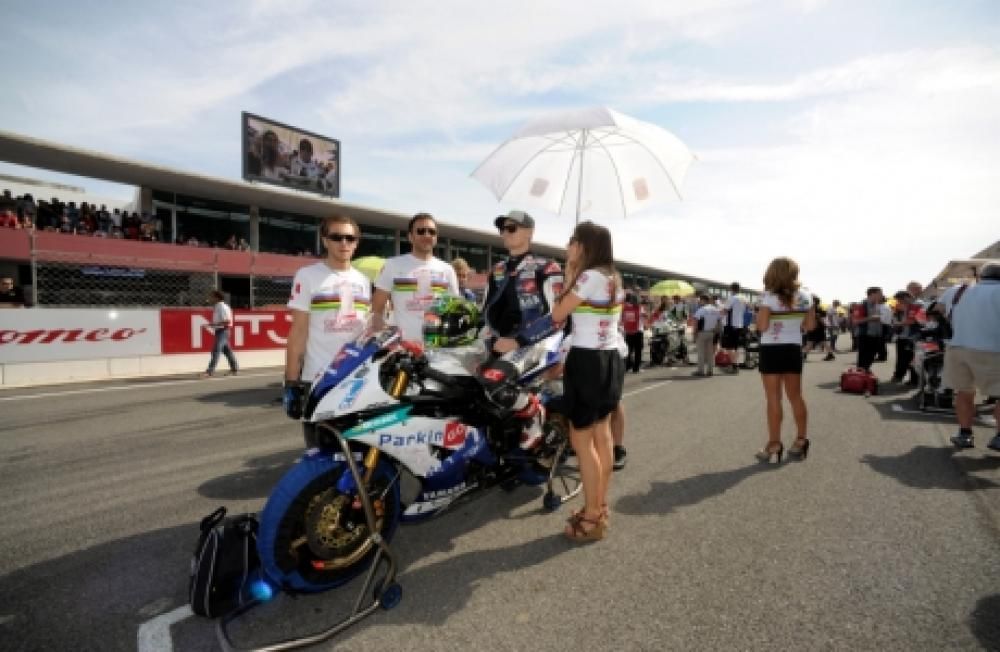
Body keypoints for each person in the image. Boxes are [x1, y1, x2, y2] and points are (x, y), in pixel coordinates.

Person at [550, 221, 624, 541]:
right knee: (602, 436)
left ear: (583, 246)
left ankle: (592, 516)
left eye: (572, 241)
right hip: (610, 359)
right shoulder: (613, 277)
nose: (568, 245)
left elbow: (557, 314)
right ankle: (599, 505)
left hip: (587, 361)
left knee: (582, 441)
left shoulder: (588, 276)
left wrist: (570, 272)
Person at [478, 209, 564, 450]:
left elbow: (558, 317)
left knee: (493, 383)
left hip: (534, 342)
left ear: (529, 232)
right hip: (498, 342)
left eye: (511, 228)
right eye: (502, 229)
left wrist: (519, 341)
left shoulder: (547, 267)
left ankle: (534, 414)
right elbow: (484, 312)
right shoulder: (497, 269)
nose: (505, 233)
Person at [282, 215, 371, 434]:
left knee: (356, 449)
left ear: (356, 243)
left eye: (350, 238)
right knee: (320, 448)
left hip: (356, 381)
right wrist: (291, 382)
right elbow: (298, 332)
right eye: (337, 237)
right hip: (319, 380)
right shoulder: (307, 275)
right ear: (325, 240)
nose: (344, 243)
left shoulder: (363, 280)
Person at [755, 257, 816, 463]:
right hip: (793, 348)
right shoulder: (806, 296)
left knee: (773, 398)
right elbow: (810, 326)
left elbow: (762, 327)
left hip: (771, 349)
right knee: (796, 396)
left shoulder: (768, 297)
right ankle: (801, 440)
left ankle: (774, 444)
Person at [372, 213, 459, 343]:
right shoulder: (392, 265)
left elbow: (454, 310)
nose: (427, 235)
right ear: (410, 237)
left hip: (437, 347)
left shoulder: (447, 270)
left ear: (436, 238)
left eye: (432, 232)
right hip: (402, 347)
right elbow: (377, 308)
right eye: (421, 231)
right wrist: (383, 336)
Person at [945, 262, 1000, 450]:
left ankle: (965, 433)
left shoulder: (959, 291)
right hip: (993, 350)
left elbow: (938, 311)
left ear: (982, 276)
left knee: (964, 392)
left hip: (959, 347)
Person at [200, 290, 238, 378]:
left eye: (211, 297)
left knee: (216, 351)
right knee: (227, 351)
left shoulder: (222, 307)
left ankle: (209, 371)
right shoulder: (218, 307)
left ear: (216, 298)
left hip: (223, 331)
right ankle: (234, 369)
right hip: (221, 331)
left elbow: (227, 321)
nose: (210, 298)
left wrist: (211, 325)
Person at [855, 287, 885, 372]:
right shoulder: (862, 305)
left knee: (871, 355)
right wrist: (871, 318)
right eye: (880, 293)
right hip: (865, 334)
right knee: (864, 356)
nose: (882, 295)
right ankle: (860, 374)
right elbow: (856, 321)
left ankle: (865, 371)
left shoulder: (878, 305)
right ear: (872, 294)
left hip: (876, 334)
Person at [720, 282, 748, 374]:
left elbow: (725, 310)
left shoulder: (733, 298)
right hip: (740, 324)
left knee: (729, 347)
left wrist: (718, 311)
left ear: (731, 289)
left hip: (730, 325)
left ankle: (735, 366)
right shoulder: (744, 298)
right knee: (736, 347)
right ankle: (736, 365)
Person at [692, 294, 721, 376]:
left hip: (702, 332)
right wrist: (715, 331)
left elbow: (696, 321)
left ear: (703, 300)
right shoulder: (715, 309)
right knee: (710, 353)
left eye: (700, 300)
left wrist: (694, 333)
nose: (699, 302)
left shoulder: (701, 310)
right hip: (711, 332)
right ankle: (710, 371)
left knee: (701, 352)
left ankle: (700, 371)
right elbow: (719, 321)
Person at [621, 292, 644, 373]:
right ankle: (636, 368)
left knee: (629, 350)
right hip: (638, 331)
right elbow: (644, 317)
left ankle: (627, 366)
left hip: (628, 332)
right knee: (638, 350)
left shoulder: (625, 308)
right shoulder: (639, 308)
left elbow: (622, 319)